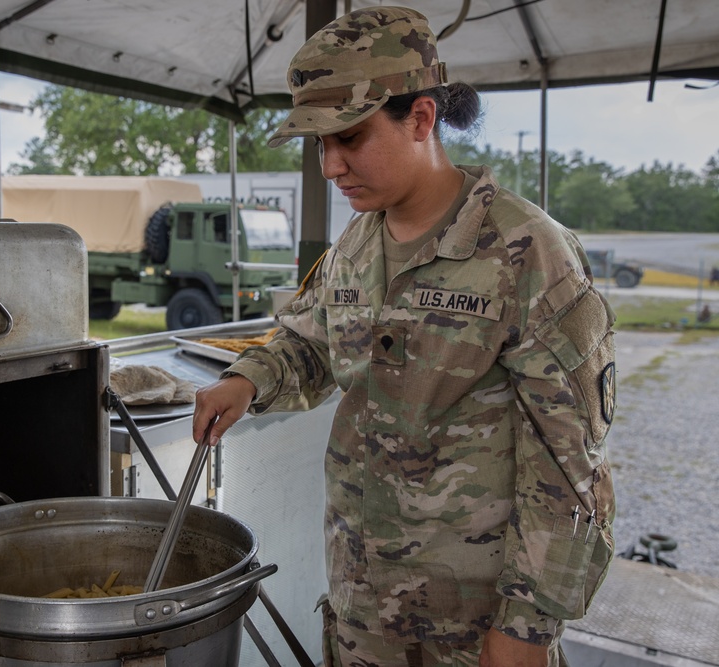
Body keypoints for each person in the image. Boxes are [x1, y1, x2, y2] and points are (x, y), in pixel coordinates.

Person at [192, 7, 616, 667]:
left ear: (420, 119)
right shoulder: (357, 244)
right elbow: (308, 341)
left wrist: (527, 625)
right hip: (364, 609)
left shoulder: (525, 251)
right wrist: (248, 379)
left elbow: (570, 467)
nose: (331, 166)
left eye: (350, 138)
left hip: (474, 630)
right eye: (319, 145)